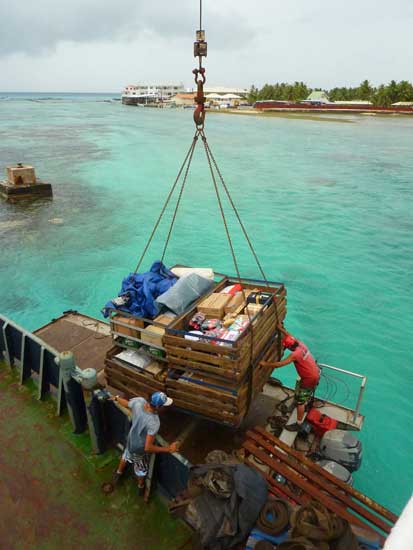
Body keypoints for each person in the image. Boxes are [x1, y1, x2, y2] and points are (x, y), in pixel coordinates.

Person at [111, 391, 179, 494]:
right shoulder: (154, 422)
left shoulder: (139, 401)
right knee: (141, 469)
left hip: (130, 440)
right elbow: (148, 447)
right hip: (139, 448)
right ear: (159, 407)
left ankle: (118, 474)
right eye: (164, 406)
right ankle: (140, 486)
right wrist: (168, 449)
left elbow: (127, 403)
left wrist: (116, 398)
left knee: (126, 455)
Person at [261, 325, 320, 432]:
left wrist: (265, 364)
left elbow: (279, 364)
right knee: (301, 390)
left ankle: (298, 423)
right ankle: (302, 402)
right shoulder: (301, 344)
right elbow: (290, 335)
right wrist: (281, 329)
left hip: (309, 379)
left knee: (300, 402)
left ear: (290, 347)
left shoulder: (295, 354)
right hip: (314, 373)